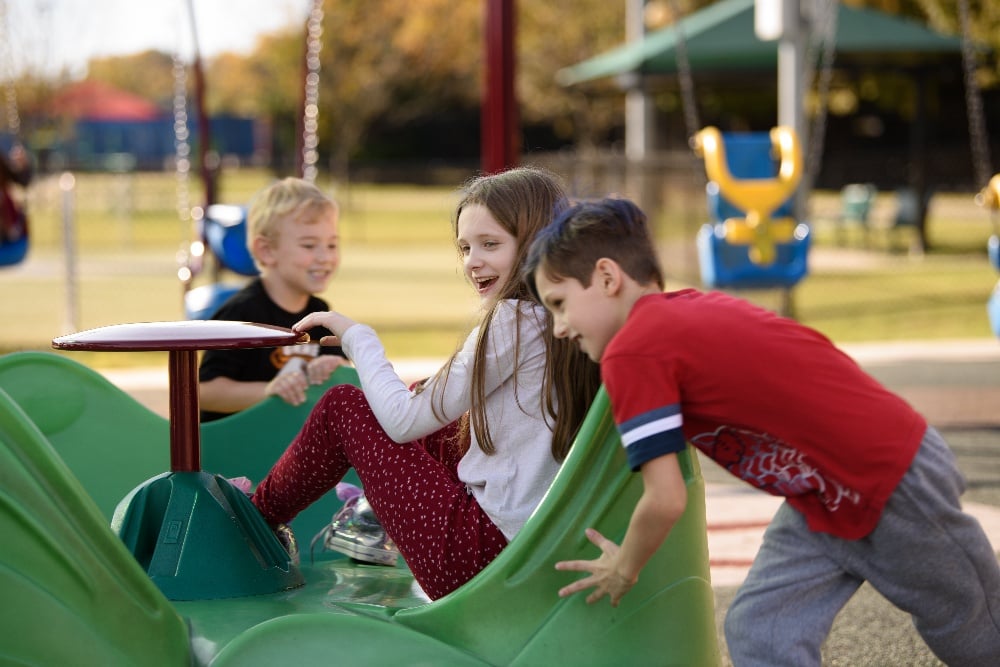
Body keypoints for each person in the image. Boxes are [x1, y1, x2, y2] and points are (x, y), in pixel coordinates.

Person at [524, 197, 1000, 666]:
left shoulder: (632, 353)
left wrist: (623, 568)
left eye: (560, 304)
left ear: (607, 277)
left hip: (888, 480)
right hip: (821, 497)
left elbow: (666, 497)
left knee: (974, 632)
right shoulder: (678, 317)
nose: (560, 328)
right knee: (760, 628)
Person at [249, 166, 601, 599]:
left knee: (344, 408)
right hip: (533, 550)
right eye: (466, 247)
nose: (473, 261)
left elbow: (402, 422)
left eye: (491, 244)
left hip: (479, 558)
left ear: (536, 244)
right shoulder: (569, 319)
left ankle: (251, 525)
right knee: (433, 408)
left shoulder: (514, 320)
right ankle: (371, 518)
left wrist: (361, 341)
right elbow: (424, 407)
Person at [198, 177, 347, 422]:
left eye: (332, 245)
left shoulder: (320, 314)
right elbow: (205, 391)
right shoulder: (241, 316)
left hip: (285, 444)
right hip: (232, 444)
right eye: (309, 245)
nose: (325, 257)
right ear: (266, 251)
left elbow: (345, 376)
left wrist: (333, 368)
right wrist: (268, 391)